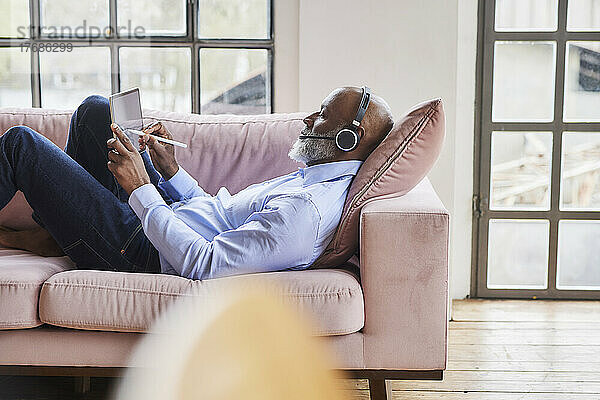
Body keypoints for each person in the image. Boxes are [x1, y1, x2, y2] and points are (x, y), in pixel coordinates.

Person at [0, 86, 393, 280]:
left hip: (141, 252)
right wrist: (170, 173)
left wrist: (140, 189)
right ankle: (57, 230)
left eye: (322, 115)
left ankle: (63, 231)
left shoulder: (305, 213)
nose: (308, 119)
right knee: (95, 113)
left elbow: (204, 262)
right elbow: (218, 215)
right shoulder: (312, 178)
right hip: (164, 219)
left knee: (21, 145)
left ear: (346, 140)